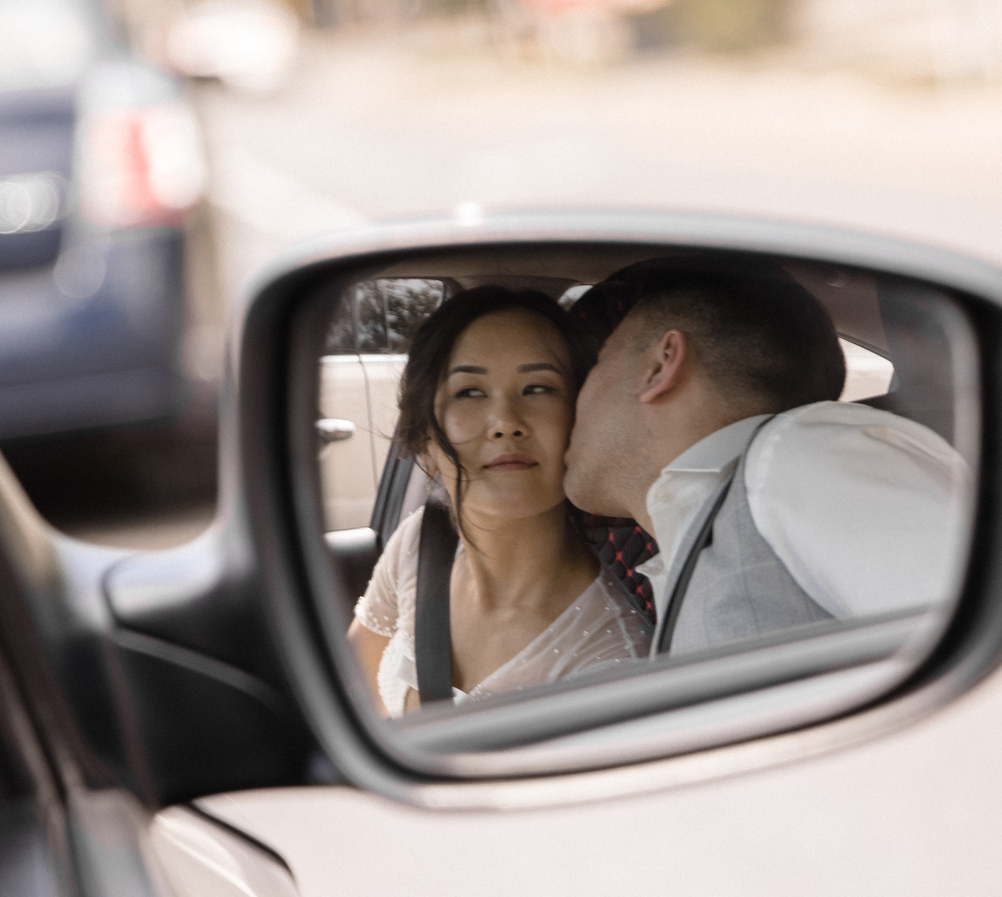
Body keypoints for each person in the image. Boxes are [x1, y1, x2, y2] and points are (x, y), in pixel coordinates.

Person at [563, 258, 968, 655]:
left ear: (659, 365)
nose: (569, 402)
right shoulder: (695, 536)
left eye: (596, 364)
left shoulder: (801, 457)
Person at [349, 287, 650, 714]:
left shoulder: (612, 660)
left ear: (582, 420)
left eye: (537, 388)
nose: (506, 422)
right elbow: (352, 695)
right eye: (470, 392)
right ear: (425, 437)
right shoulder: (420, 542)